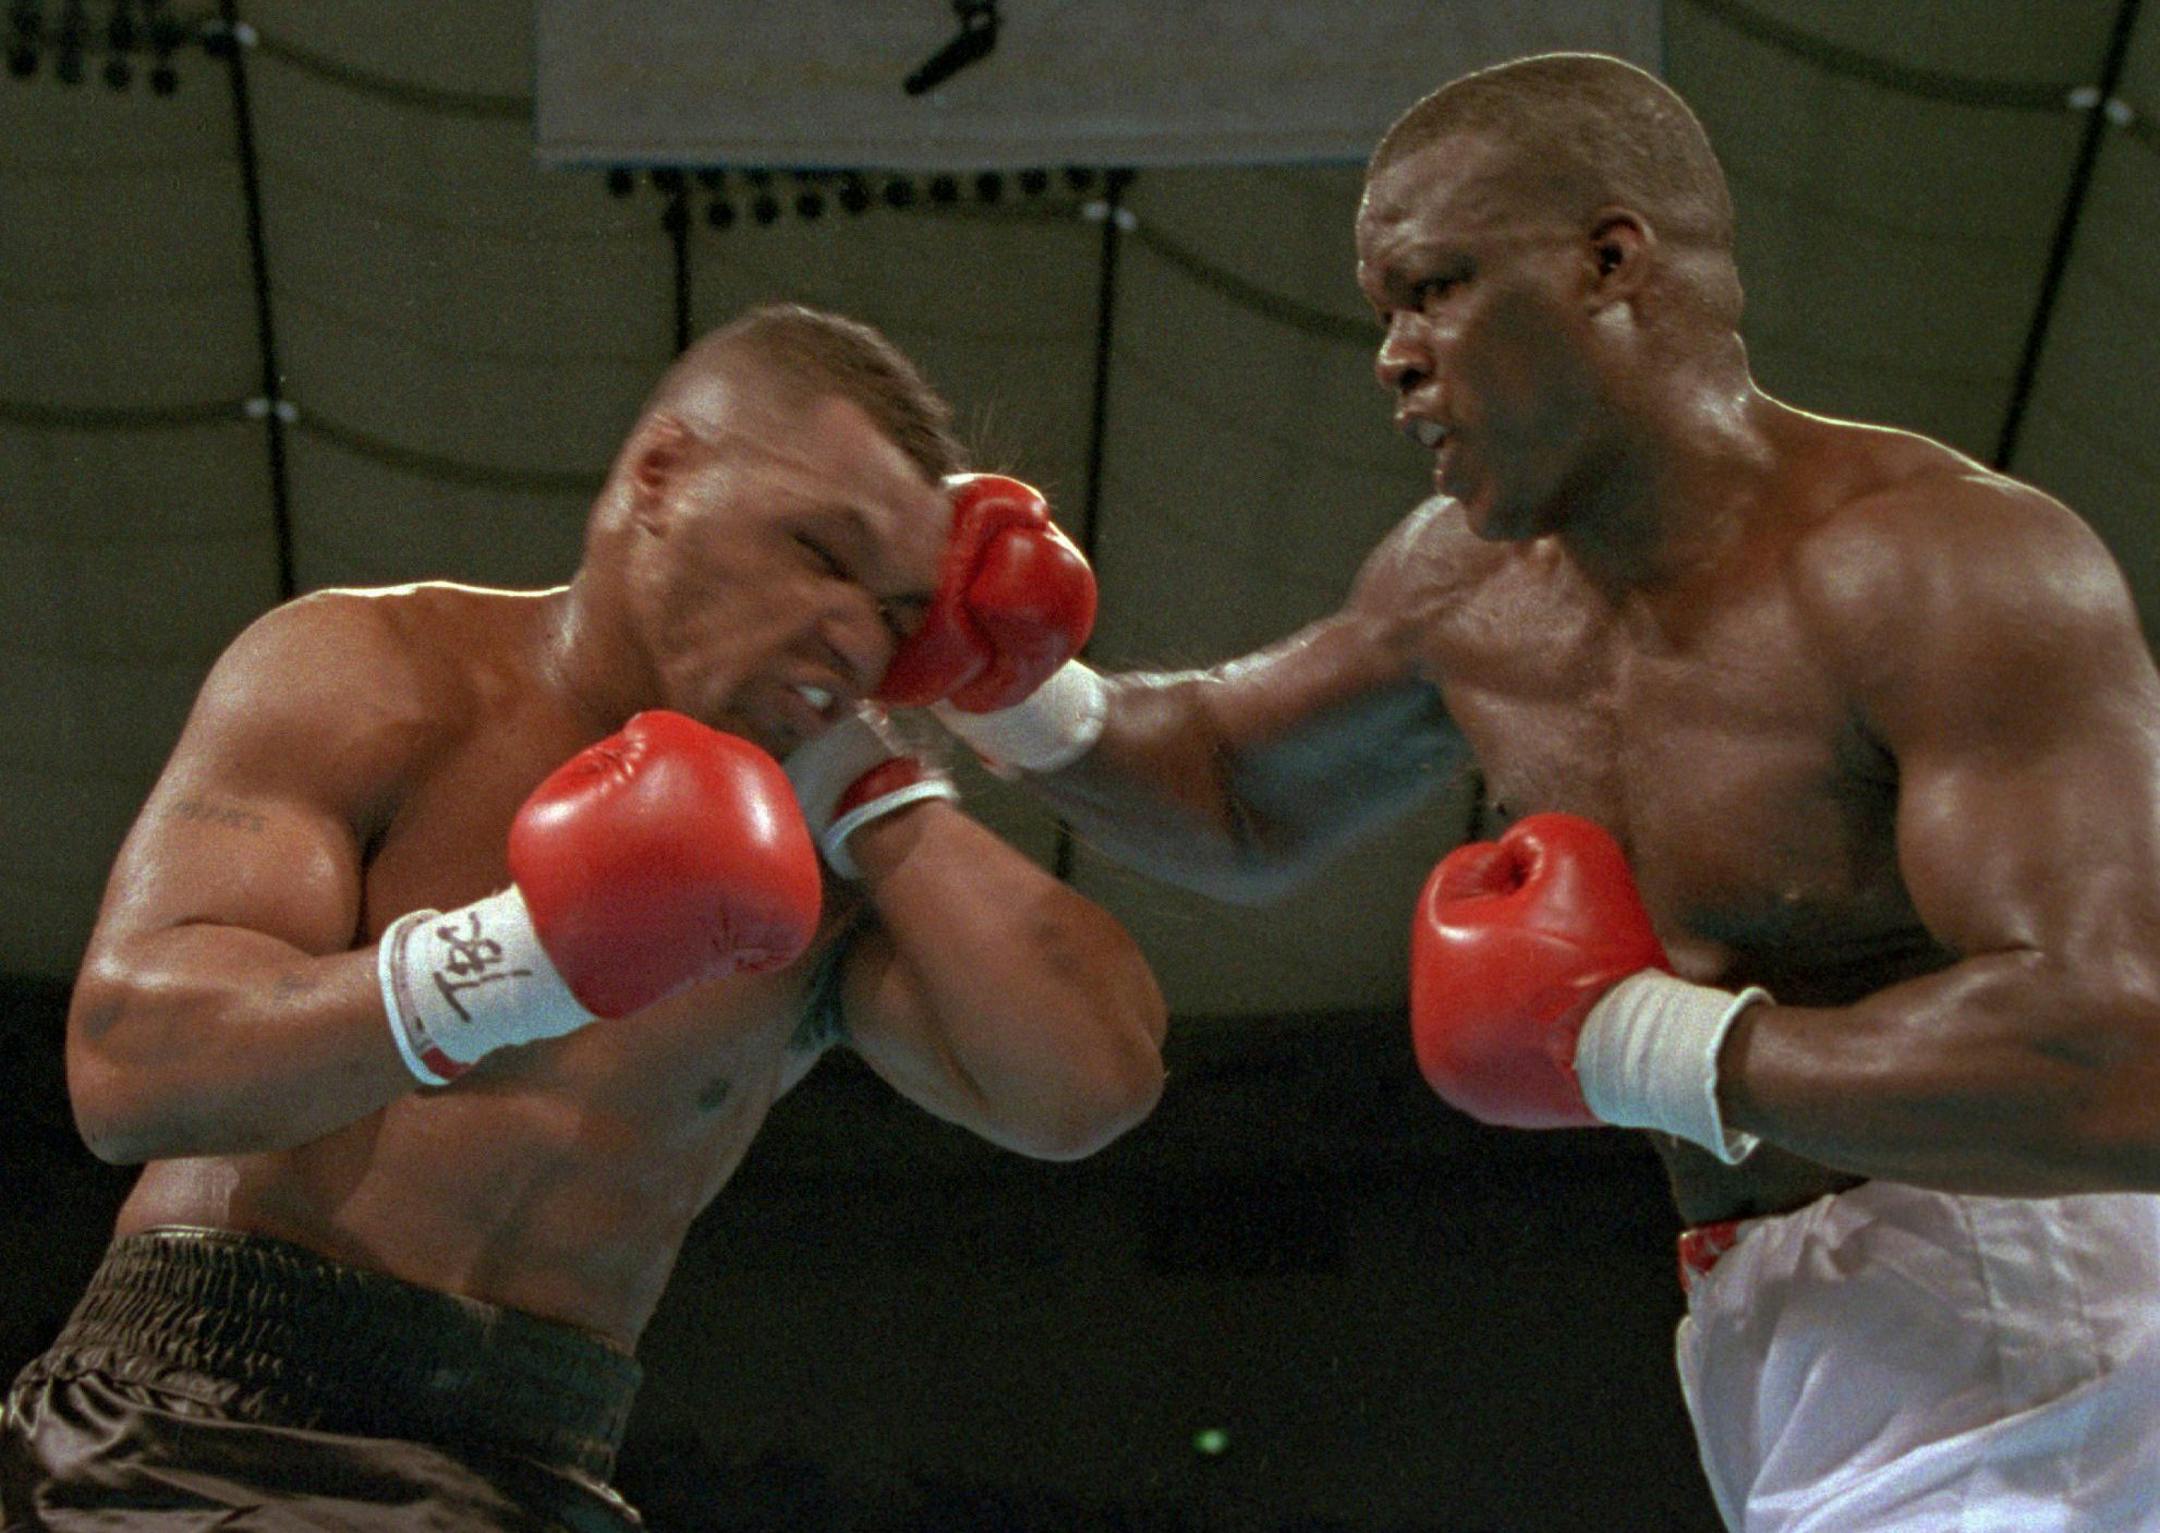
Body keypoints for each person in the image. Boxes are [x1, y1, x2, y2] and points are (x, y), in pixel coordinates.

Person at [926, 53, 2160, 1531]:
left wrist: (1646, 1044)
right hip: (1777, 1326)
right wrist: (1009, 682)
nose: (1390, 353)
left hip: (2045, 1309)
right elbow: (1234, 788)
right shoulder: (1467, 592)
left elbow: (2118, 1054)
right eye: (1384, 308)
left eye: (1434, 286)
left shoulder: (1939, 565)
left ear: (1610, 264)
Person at [2, 303, 1168, 1530]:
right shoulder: (373, 671)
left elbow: (1087, 1087)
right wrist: (530, 959)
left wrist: (877, 788)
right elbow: (128, 1069)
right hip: (192, 1436)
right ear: (663, 476)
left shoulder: (828, 876)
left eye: (894, 612)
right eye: (821, 553)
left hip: (537, 1471)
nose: (851, 629)